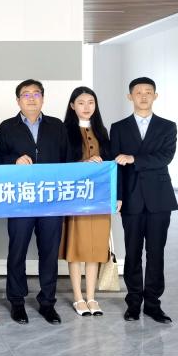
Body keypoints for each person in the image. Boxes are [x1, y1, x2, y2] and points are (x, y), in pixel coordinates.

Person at [0, 79, 70, 325]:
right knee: (17, 251)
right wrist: (14, 160)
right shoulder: (6, 127)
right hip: (20, 199)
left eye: (36, 93)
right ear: (18, 100)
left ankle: (47, 302)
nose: (31, 98)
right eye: (25, 94)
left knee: (49, 252)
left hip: (51, 200)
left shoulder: (57, 126)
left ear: (43, 98)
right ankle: (17, 302)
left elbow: (67, 161)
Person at [111, 77, 178, 324]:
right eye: (138, 92)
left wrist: (134, 159)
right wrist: (117, 195)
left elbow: (165, 157)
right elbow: (115, 166)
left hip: (159, 198)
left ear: (155, 96)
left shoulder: (167, 126)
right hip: (130, 198)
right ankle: (133, 303)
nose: (143, 96)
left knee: (156, 252)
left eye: (148, 92)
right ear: (130, 96)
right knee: (132, 252)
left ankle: (153, 304)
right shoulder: (118, 127)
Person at [59, 87, 113, 317]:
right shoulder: (63, 131)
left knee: (95, 248)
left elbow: (111, 167)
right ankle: (78, 298)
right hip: (75, 197)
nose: (87, 107)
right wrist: (82, 164)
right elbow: (59, 165)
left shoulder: (102, 131)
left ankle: (91, 297)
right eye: (81, 102)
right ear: (72, 106)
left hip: (99, 198)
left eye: (91, 102)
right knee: (77, 248)